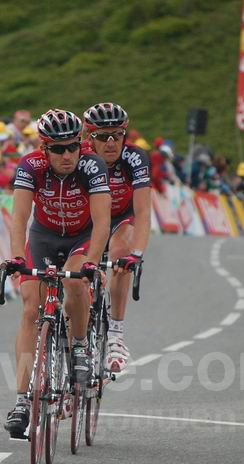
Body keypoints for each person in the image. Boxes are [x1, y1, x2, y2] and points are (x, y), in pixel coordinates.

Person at [0, 109, 111, 437]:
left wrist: (92, 261)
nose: (67, 155)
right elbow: (19, 218)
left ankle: (78, 347)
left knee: (75, 282)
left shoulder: (92, 166)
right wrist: (17, 257)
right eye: (58, 149)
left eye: (73, 146)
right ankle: (22, 400)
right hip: (44, 236)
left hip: (82, 237)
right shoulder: (30, 166)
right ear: (44, 149)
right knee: (30, 307)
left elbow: (103, 221)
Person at [83, 102, 150, 373]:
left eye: (117, 135)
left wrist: (138, 254)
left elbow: (144, 211)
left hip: (121, 218)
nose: (111, 142)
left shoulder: (135, 158)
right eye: (102, 136)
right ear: (90, 138)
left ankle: (116, 335)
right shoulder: (80, 157)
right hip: (86, 222)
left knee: (122, 248)